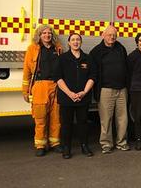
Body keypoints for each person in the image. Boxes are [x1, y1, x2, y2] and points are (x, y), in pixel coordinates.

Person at [22, 24, 63, 156]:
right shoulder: (32, 49)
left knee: (56, 117)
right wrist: (25, 90)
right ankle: (40, 145)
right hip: (40, 86)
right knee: (40, 118)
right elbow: (27, 71)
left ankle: (55, 143)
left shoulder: (58, 48)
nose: (47, 35)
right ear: (39, 35)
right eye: (44, 33)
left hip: (56, 86)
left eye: (49, 33)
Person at [54, 33, 96, 159]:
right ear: (68, 43)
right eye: (73, 40)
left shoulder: (88, 58)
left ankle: (84, 146)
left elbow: (93, 76)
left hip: (83, 98)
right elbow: (58, 78)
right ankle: (66, 148)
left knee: (83, 123)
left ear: (81, 42)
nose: (75, 42)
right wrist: (70, 94)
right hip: (67, 98)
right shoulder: (62, 59)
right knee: (66, 124)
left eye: (78, 40)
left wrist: (84, 92)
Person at [90, 25, 130, 154]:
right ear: (103, 35)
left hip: (122, 90)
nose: (112, 37)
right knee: (106, 119)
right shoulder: (96, 51)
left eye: (114, 35)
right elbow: (93, 73)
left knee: (122, 118)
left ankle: (122, 142)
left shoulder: (121, 48)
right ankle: (106, 144)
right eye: (109, 35)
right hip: (105, 90)